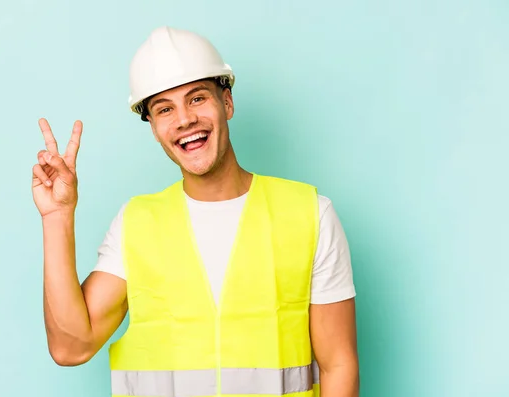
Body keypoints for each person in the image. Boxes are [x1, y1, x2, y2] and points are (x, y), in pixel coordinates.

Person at [32, 26, 359, 397]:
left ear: (228, 103)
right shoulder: (136, 224)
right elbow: (71, 346)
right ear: (154, 129)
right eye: (165, 109)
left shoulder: (309, 214)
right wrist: (57, 217)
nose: (184, 120)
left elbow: (339, 365)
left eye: (197, 99)